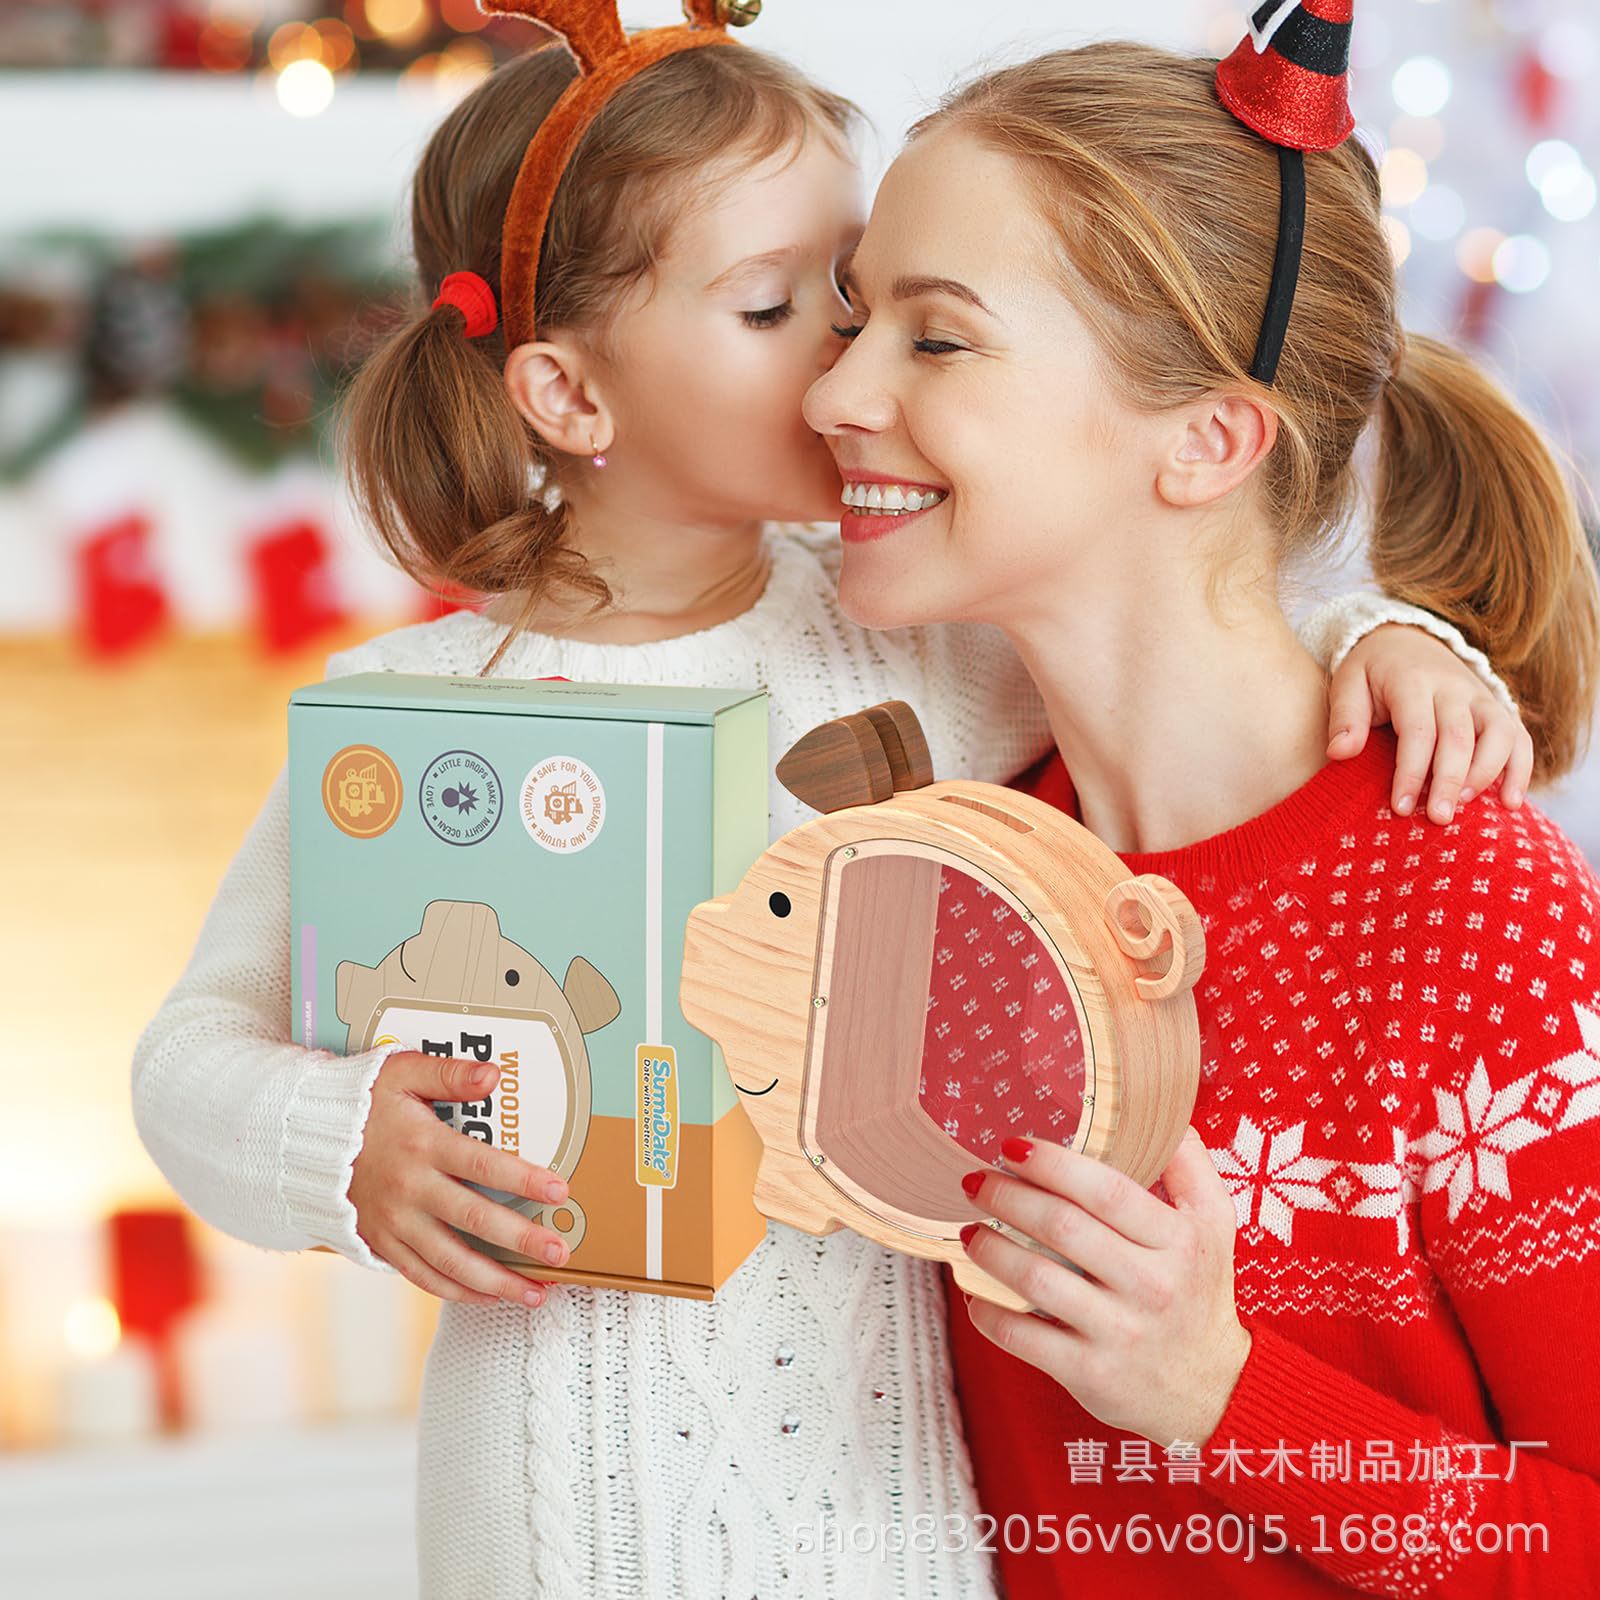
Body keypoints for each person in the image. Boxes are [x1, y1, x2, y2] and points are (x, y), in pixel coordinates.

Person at [132, 7, 1532, 1595]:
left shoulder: (916, 649)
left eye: (857, 302)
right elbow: (190, 1055)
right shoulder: (414, 714)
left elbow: (1167, 608)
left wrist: (1383, 637)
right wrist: (340, 1144)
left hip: (891, 1525)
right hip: (551, 1525)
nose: (838, 368)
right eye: (775, 308)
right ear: (569, 396)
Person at [800, 24, 1600, 1598]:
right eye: (849, 315)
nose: (833, 390)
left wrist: (1218, 1395)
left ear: (1210, 440)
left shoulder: (1469, 904)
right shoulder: (943, 855)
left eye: (936, 339)